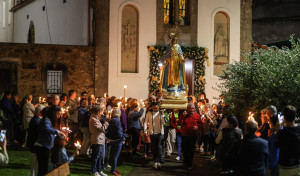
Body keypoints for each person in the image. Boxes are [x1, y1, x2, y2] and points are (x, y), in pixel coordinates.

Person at [35, 108, 64, 176]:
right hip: (42, 146)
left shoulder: (49, 121)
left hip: (46, 146)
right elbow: (47, 129)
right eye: (58, 114)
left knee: (44, 167)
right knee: (43, 167)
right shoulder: (46, 120)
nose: (59, 116)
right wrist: (57, 131)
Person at [275, 105, 300, 176]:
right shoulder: (298, 129)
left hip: (286, 167)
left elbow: (276, 144)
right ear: (295, 116)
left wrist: (277, 131)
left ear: (284, 118)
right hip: (298, 165)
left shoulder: (282, 133)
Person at [178, 103, 203, 170]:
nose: (192, 110)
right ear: (187, 108)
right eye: (191, 108)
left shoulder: (197, 115)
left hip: (192, 136)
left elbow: (201, 124)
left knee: (191, 151)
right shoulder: (184, 115)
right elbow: (179, 123)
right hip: (184, 135)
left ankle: (189, 164)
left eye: (193, 108)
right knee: (185, 150)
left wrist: (197, 127)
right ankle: (185, 162)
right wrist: (182, 117)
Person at [144, 102, 165, 170]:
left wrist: (162, 115)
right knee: (153, 147)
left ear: (158, 107)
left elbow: (164, 122)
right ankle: (155, 161)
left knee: (159, 147)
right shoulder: (149, 113)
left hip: (160, 133)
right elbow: (145, 122)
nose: (155, 109)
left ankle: (158, 161)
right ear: (152, 108)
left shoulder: (161, 113)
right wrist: (145, 131)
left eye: (156, 108)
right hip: (152, 133)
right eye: (154, 108)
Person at [89, 106, 109, 176]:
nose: (101, 113)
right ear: (97, 112)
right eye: (101, 111)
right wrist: (106, 123)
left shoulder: (96, 118)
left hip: (99, 139)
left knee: (99, 156)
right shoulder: (93, 119)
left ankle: (99, 170)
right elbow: (101, 129)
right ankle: (94, 171)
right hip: (96, 140)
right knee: (96, 156)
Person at [106, 108, 126, 176]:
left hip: (112, 139)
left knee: (113, 155)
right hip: (117, 140)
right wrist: (123, 137)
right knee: (115, 156)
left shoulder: (111, 120)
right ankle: (113, 170)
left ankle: (113, 168)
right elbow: (118, 132)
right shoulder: (117, 121)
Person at [27, 104, 45, 176]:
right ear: (40, 112)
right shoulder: (36, 121)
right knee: (35, 167)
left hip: (35, 146)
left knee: (35, 167)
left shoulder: (36, 120)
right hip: (35, 146)